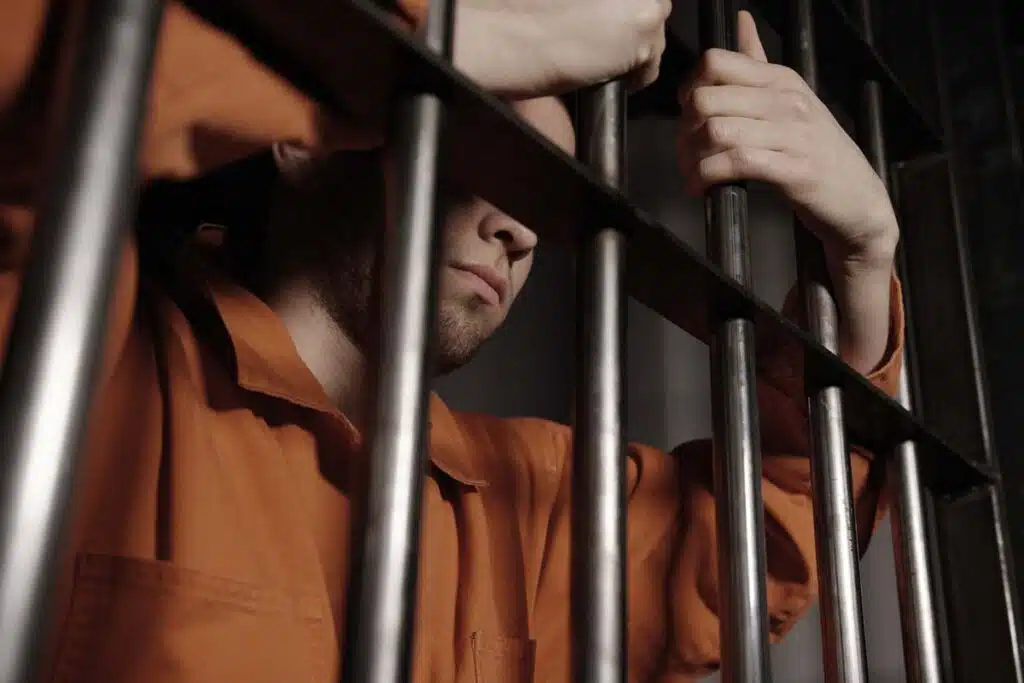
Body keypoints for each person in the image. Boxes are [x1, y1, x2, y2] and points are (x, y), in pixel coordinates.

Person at [0, 4, 902, 683]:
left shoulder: (529, 505)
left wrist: (858, 265)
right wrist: (427, 30)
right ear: (308, 139)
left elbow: (776, 513)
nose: (522, 227)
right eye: (495, 148)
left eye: (548, 196)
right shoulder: (89, 356)